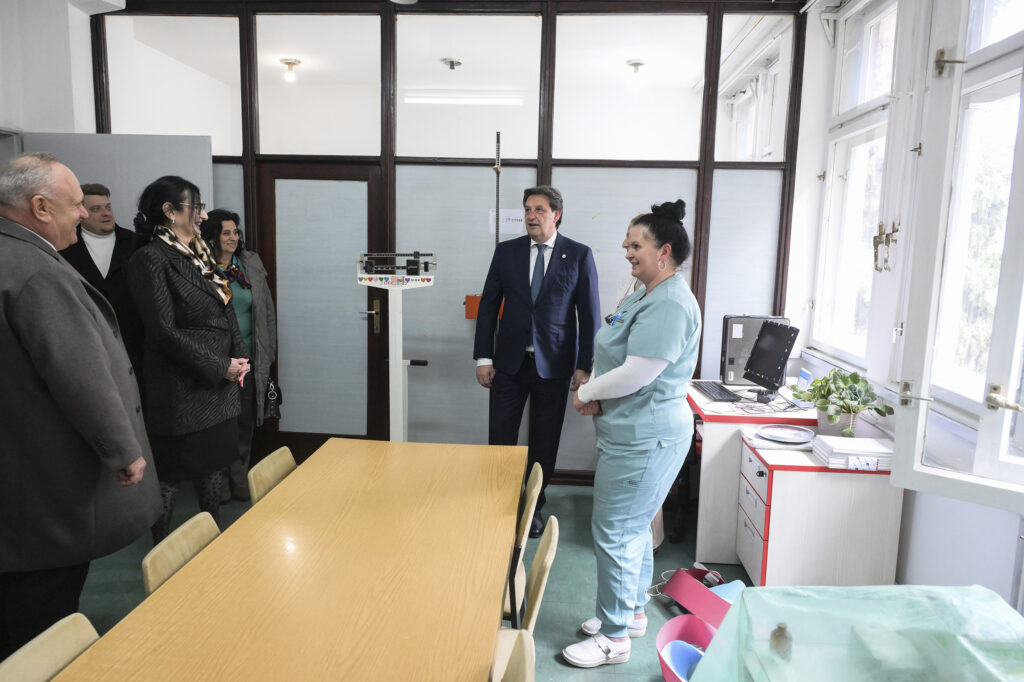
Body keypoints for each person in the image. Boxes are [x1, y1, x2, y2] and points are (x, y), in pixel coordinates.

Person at [0, 153, 161, 658]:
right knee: (41, 610)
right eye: (76, 206)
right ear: (40, 207)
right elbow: (78, 373)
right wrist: (123, 450)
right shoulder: (36, 272)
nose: (83, 215)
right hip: (43, 486)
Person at [560, 200, 701, 669]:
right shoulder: (647, 293)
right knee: (632, 528)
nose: (626, 251)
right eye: (626, 243)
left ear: (664, 251)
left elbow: (639, 371)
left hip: (646, 436)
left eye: (634, 244)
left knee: (616, 531)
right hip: (632, 430)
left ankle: (614, 638)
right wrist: (598, 386)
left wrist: (588, 391)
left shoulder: (671, 303)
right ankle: (631, 613)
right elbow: (618, 351)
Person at [126, 176, 250, 543]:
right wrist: (220, 366)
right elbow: (163, 332)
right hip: (182, 388)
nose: (204, 215)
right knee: (171, 475)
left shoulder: (199, 252)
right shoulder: (150, 258)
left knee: (212, 468)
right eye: (196, 207)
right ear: (169, 211)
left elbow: (226, 309)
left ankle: (213, 542)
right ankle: (160, 552)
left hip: (218, 387)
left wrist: (240, 358)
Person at [473, 186, 601, 537]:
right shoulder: (507, 252)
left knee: (545, 441)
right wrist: (483, 357)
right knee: (501, 435)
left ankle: (534, 506)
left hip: (554, 366)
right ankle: (500, 501)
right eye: (528, 209)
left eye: (539, 209)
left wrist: (584, 365)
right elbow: (488, 306)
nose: (531, 215)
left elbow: (589, 314)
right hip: (508, 364)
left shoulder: (578, 255)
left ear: (556, 214)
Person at [200, 209, 278, 503]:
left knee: (245, 422)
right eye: (226, 232)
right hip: (216, 360)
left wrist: (268, 351)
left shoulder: (249, 263)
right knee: (219, 424)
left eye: (235, 232)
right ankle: (218, 481)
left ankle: (240, 477)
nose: (233, 238)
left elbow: (266, 310)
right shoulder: (200, 267)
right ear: (212, 237)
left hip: (248, 358)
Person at [59, 183, 145, 386]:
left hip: (134, 341)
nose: (106, 213)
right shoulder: (64, 247)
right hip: (89, 341)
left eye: (108, 207)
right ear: (81, 213)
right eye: (96, 209)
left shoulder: (136, 244)